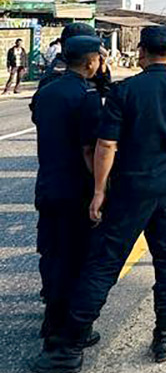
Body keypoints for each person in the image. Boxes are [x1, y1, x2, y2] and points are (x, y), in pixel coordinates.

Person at [32, 26, 166, 373]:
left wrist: (99, 191)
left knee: (103, 264)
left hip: (131, 190)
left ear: (142, 52)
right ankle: (162, 336)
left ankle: (69, 350)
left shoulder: (125, 91)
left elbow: (105, 146)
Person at [30, 35, 104, 348]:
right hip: (76, 188)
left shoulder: (46, 91)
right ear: (90, 62)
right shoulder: (86, 96)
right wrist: (101, 188)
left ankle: (51, 316)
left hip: (48, 183)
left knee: (51, 251)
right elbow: (91, 149)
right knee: (75, 256)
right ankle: (67, 325)